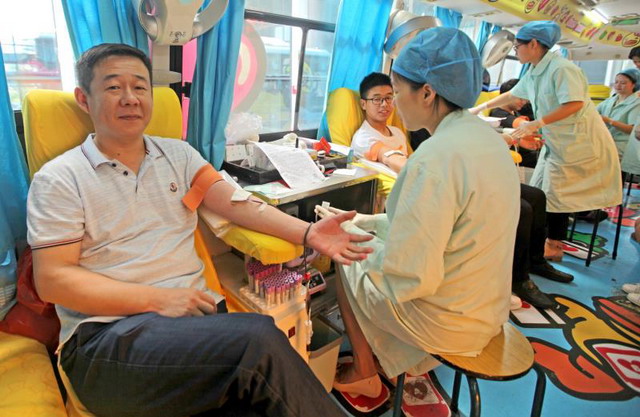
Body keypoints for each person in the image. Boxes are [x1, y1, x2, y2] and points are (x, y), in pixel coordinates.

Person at [27, 43, 373, 417]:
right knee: (257, 341)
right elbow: (53, 280)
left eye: (140, 87)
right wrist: (156, 300)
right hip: (107, 341)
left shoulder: (178, 155)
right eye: (113, 87)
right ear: (84, 98)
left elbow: (237, 203)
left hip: (195, 327)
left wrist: (308, 232)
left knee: (259, 399)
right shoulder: (60, 179)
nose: (130, 98)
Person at [317, 27, 520, 400]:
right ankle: (389, 358)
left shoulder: (433, 160)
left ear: (427, 92)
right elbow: (445, 227)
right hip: (488, 307)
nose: (393, 104)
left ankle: (365, 370)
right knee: (360, 243)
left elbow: (410, 277)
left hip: (449, 322)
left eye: (396, 91)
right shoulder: (487, 142)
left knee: (346, 259)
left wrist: (354, 238)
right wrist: (367, 222)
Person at [470, 20, 622, 262]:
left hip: (578, 143)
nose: (516, 51)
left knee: (557, 196)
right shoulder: (535, 70)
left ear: (533, 44)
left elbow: (574, 103)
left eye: (517, 46)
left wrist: (537, 123)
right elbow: (513, 94)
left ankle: (553, 246)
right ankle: (541, 242)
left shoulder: (562, 69)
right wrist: (480, 107)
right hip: (558, 142)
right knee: (542, 192)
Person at [351, 72, 408, 173]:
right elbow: (388, 156)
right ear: (363, 104)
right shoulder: (363, 139)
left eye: (388, 98)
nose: (384, 104)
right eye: (377, 99)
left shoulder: (398, 132)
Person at [489, 78, 541, 168]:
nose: (524, 102)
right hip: (520, 158)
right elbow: (524, 125)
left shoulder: (515, 112)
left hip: (529, 153)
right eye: (520, 98)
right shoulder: (498, 113)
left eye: (525, 98)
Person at [596, 68, 640, 159]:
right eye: (616, 82)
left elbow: (633, 130)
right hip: (605, 140)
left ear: (633, 85)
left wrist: (609, 121)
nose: (618, 85)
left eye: (623, 83)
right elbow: (593, 112)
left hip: (621, 145)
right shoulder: (610, 100)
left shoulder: (637, 104)